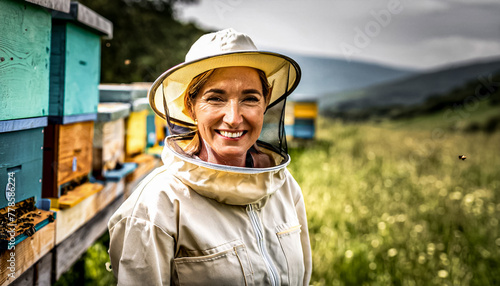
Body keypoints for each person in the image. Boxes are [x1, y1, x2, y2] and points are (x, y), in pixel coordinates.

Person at [108, 28, 312, 285]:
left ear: (266, 100)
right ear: (190, 106)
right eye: (216, 98)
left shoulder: (285, 188)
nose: (234, 118)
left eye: (250, 99)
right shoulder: (155, 207)